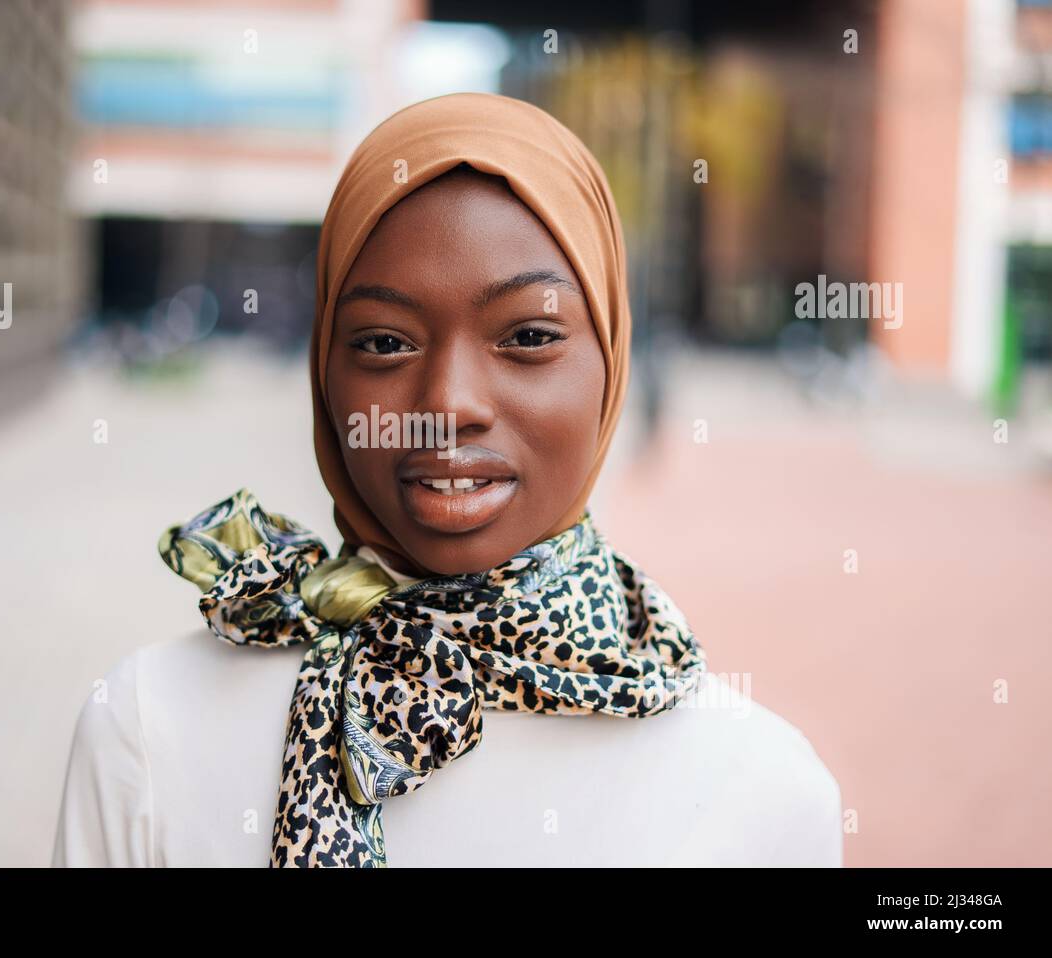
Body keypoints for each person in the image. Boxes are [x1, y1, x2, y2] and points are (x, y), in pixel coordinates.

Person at [51, 92, 842, 868]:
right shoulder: (147, 733)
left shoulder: (766, 797)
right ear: (323, 370)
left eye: (529, 336)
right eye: (386, 342)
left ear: (612, 362)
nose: (448, 404)